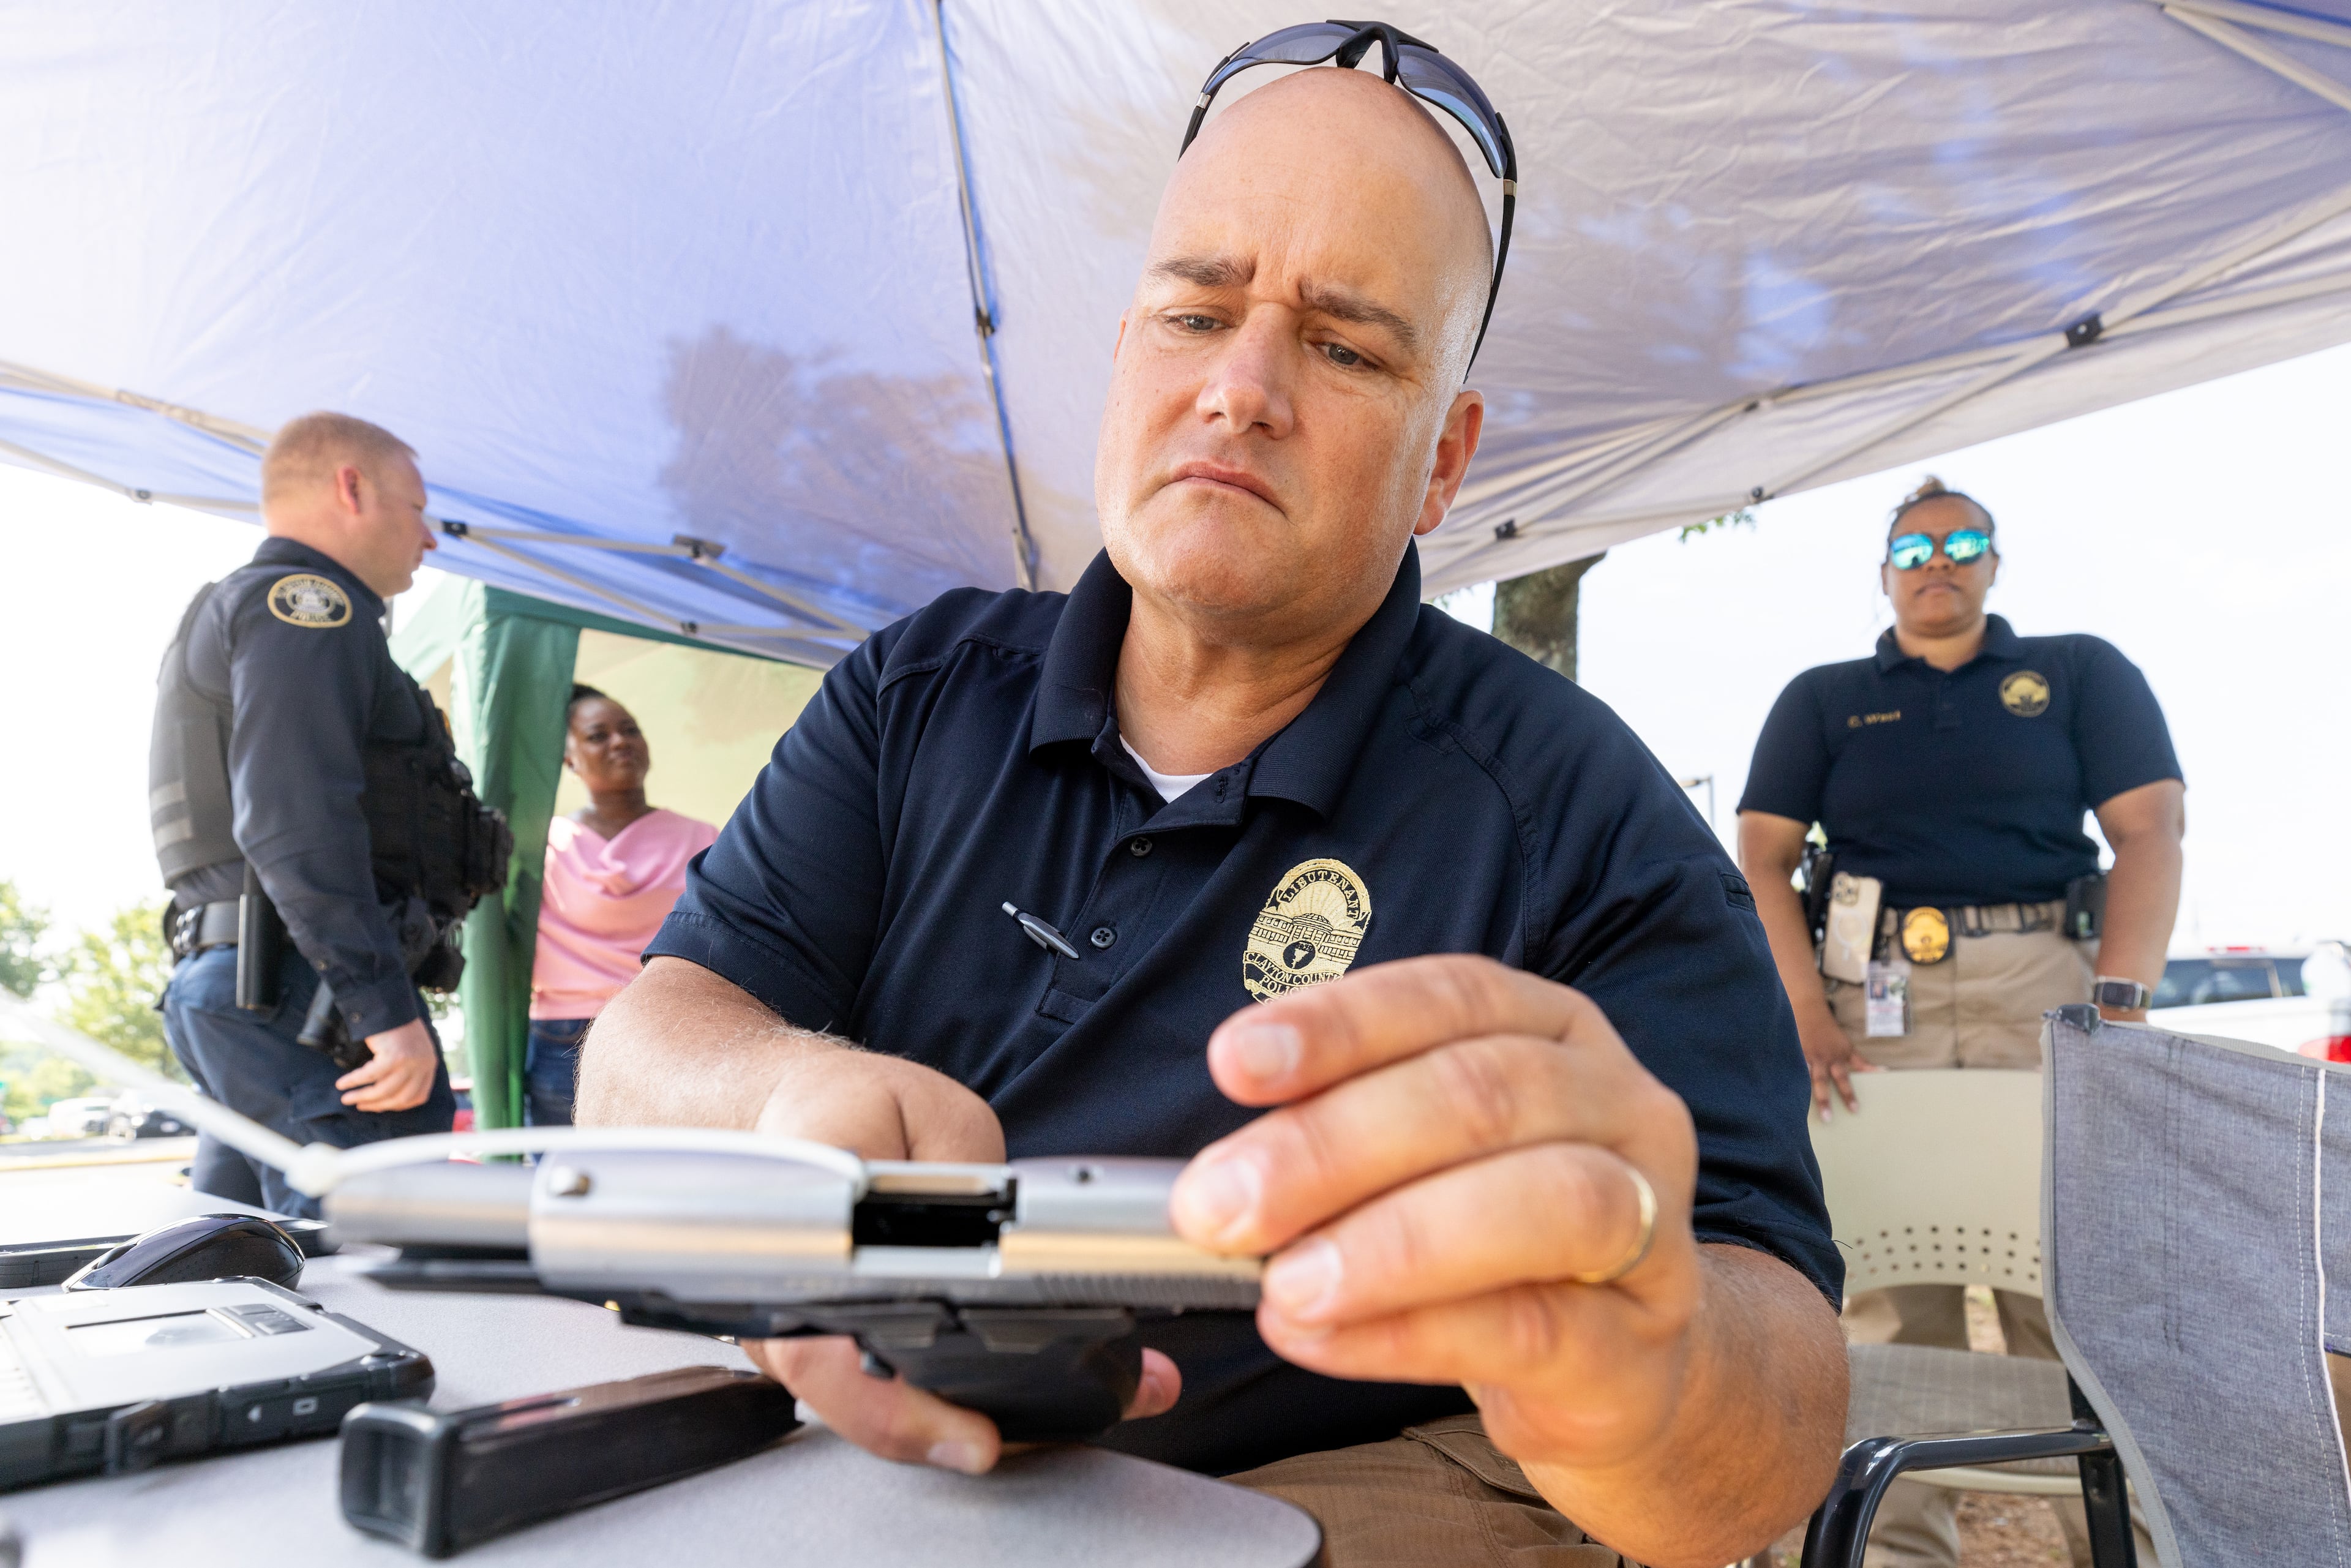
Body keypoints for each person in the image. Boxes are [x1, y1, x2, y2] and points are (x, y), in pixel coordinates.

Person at [580, 42, 1846, 1568]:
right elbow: (643, 1052)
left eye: (1346, 348)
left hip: (1305, 1505)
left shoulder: (1582, 818)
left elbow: (1770, 1422)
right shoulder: (914, 688)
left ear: (1443, 460)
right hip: (843, 1459)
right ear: (1122, 356)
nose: (1239, 389)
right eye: (1194, 312)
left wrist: (1634, 1365)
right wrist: (778, 1094)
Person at [1736, 476, 2184, 1568]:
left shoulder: (2076, 671)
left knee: (2074, 1284)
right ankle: (1899, 1550)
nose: (1940, 559)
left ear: (1995, 563)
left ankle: (2126, 1542)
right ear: (1884, 571)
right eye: (1916, 545)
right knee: (1892, 1286)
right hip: (1866, 999)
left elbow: (2152, 829)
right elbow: (1760, 853)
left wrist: (2120, 1007)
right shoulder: (1825, 697)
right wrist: (1801, 1007)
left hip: (2044, 980)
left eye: (1965, 541)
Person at [151, 412, 493, 1218]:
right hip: (304, 997)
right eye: (419, 509)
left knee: (237, 1265)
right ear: (353, 487)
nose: (431, 539)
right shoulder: (309, 608)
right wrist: (385, 1010)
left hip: (248, 985)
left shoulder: (249, 608)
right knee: (377, 1277)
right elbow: (295, 820)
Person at [524, 685, 717, 1124]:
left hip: (672, 1023)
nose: (620, 741)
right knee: (570, 1176)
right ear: (568, 758)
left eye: (630, 729)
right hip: (565, 1036)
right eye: (598, 735)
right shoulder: (540, 847)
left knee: (661, 1175)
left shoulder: (704, 838)